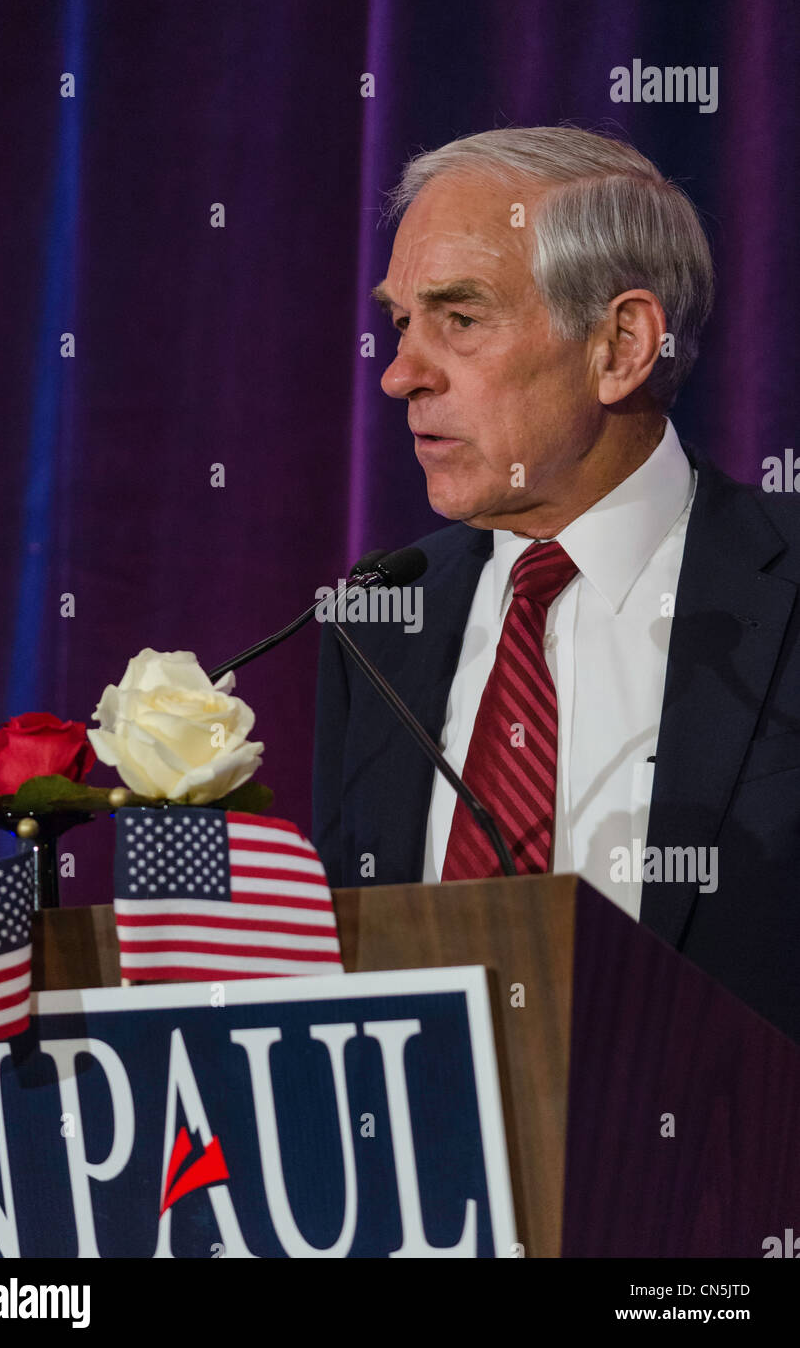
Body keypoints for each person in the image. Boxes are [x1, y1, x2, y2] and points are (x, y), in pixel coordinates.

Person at [313, 127, 800, 1043]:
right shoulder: (377, 623)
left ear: (620, 346)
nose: (399, 374)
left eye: (460, 318)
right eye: (400, 322)